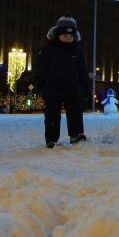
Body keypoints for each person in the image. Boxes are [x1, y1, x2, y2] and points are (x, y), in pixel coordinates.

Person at [33, 17, 91, 148]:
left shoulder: (77, 50)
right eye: (65, 35)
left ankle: (76, 134)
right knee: (52, 114)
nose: (68, 38)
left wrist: (85, 88)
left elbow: (82, 71)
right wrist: (41, 87)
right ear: (57, 34)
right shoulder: (48, 50)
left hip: (73, 87)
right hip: (52, 87)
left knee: (75, 111)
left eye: (71, 36)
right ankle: (51, 139)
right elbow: (40, 69)